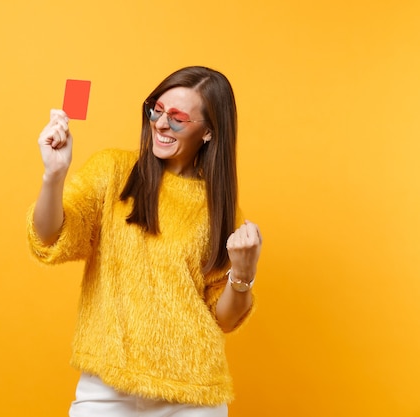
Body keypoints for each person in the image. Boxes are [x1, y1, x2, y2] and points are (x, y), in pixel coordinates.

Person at [27, 66, 263, 417]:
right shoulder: (114, 172)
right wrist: (54, 174)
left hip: (192, 394)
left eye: (178, 118)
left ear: (209, 131)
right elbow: (50, 236)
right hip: (109, 385)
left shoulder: (220, 208)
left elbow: (225, 318)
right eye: (157, 109)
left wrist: (243, 272)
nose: (161, 124)